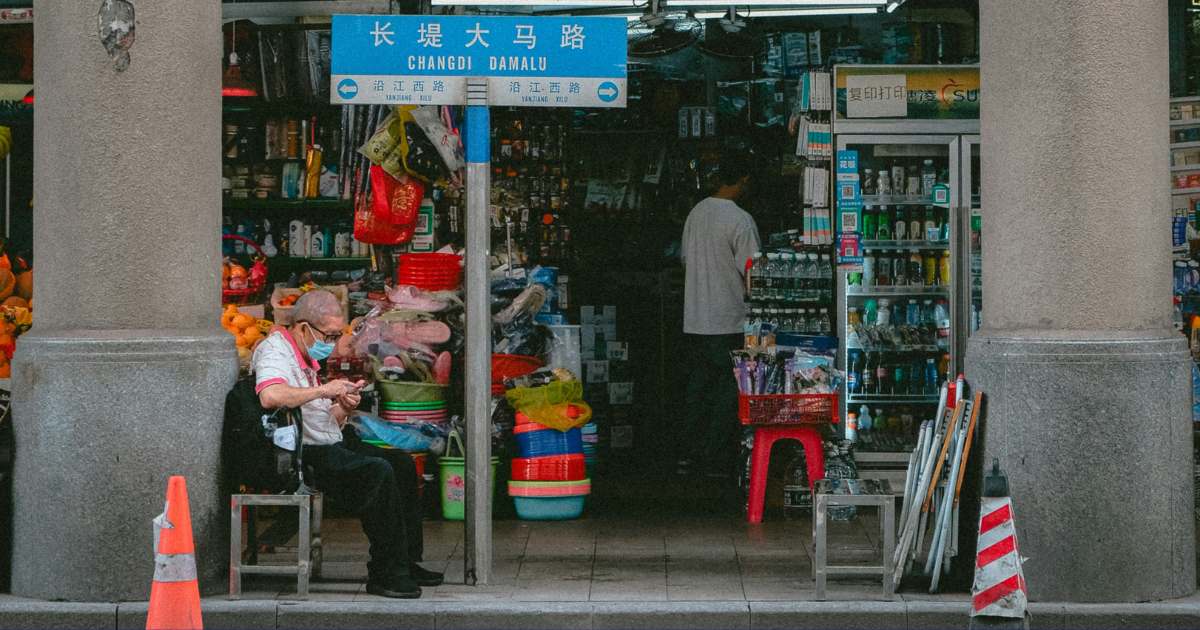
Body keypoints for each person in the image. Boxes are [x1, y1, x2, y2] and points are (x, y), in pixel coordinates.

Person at [252, 290, 443, 599]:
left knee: (401, 464)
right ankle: (385, 572)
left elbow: (323, 417)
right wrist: (324, 390)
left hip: (330, 440)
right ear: (303, 328)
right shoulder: (276, 352)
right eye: (328, 335)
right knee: (376, 472)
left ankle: (406, 561)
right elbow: (270, 396)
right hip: (304, 453)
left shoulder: (307, 357)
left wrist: (343, 404)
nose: (332, 342)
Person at [679, 152, 761, 477]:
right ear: (743, 181)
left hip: (696, 319)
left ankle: (689, 454)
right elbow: (753, 274)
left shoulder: (696, 213)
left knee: (697, 389)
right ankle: (714, 458)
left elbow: (685, 259)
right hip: (728, 319)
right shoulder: (740, 220)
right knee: (728, 391)